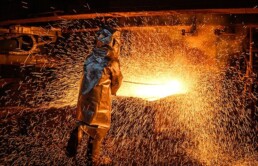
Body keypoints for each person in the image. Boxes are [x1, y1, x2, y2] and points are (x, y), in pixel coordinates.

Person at [66, 26, 123, 165]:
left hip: (85, 98)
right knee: (99, 131)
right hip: (99, 101)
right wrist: (114, 91)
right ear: (113, 42)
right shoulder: (112, 62)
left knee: (84, 122)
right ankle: (93, 161)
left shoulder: (90, 57)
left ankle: (75, 139)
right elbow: (116, 81)